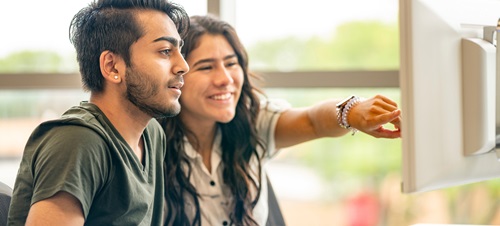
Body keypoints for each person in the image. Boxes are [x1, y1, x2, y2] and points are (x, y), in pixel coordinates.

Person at [158, 15, 401, 226]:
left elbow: (312, 120)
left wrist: (351, 112)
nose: (225, 79)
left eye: (231, 63)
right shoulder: (148, 141)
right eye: (206, 67)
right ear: (177, 75)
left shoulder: (254, 121)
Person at [7, 0, 189, 225]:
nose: (183, 65)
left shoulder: (152, 134)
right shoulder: (78, 142)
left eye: (179, 50)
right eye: (164, 51)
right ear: (112, 67)